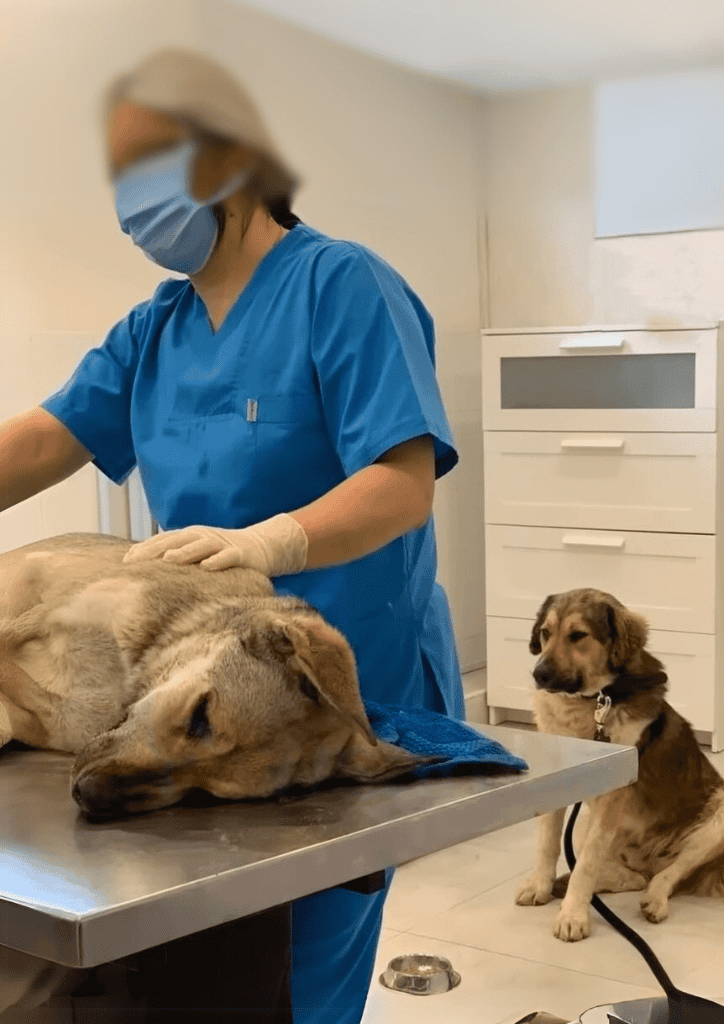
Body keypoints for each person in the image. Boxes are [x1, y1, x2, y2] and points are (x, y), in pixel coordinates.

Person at [0, 49, 465, 1023]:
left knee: (298, 960)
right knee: (209, 953)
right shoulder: (157, 325)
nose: (130, 201)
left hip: (334, 684)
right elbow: (46, 437)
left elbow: (402, 481)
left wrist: (277, 542)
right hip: (192, 692)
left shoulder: (341, 284)